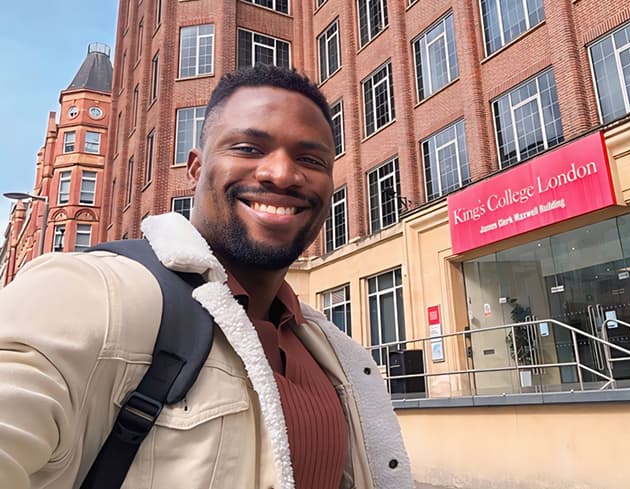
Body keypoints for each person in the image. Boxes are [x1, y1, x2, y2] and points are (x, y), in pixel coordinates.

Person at [0, 65, 414, 489]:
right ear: (196, 169)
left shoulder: (333, 352)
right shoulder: (94, 293)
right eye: (250, 148)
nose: (282, 174)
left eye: (310, 159)